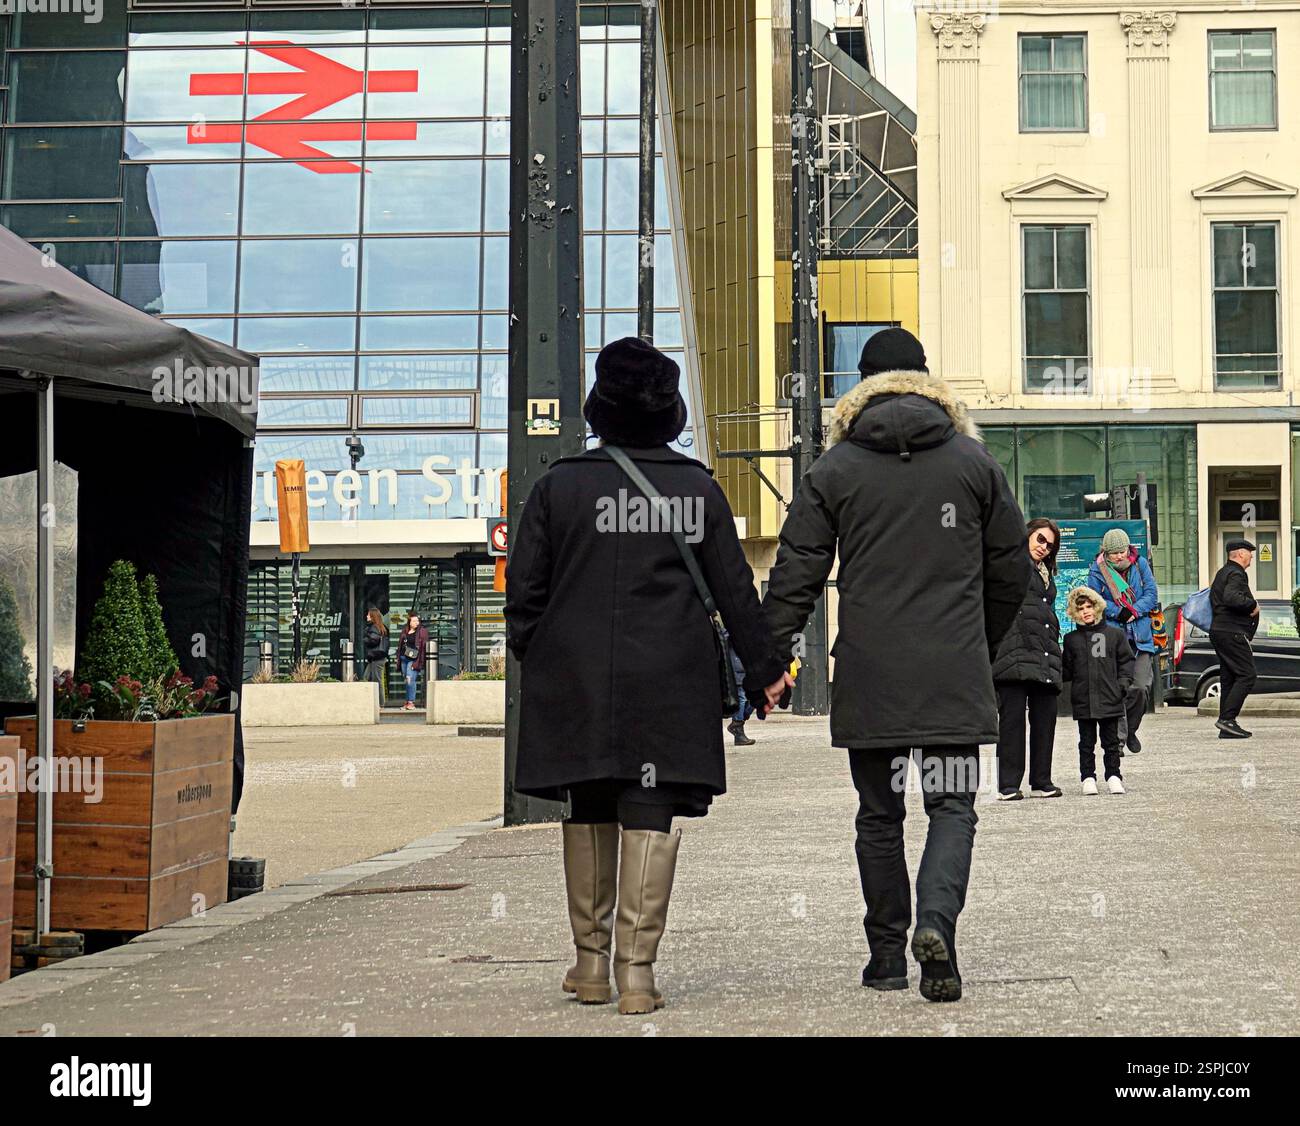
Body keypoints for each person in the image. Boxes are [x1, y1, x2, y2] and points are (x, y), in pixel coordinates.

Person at [504, 337, 791, 1015]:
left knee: (591, 802)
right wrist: (767, 672)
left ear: (599, 409)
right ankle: (638, 974)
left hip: (576, 677)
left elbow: (524, 594)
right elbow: (734, 592)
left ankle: (590, 965)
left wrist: (539, 654)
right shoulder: (696, 487)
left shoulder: (558, 486)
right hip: (668, 674)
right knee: (649, 809)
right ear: (670, 413)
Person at [761, 328, 1029, 1003]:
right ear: (928, 380)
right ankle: (936, 925)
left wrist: (767, 657)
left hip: (871, 672)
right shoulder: (974, 464)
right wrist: (982, 640)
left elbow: (797, 572)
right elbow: (1013, 571)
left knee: (879, 815)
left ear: (861, 386)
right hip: (952, 670)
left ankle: (886, 957)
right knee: (953, 805)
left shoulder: (834, 470)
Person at [992, 518, 1063, 800]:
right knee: (1012, 721)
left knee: (1045, 718)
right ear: (1028, 535)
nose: (1044, 547)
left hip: (1044, 653)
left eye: (1050, 544)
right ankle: (1008, 784)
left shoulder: (1046, 572)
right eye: (1040, 539)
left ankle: (1041, 781)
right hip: (1014, 651)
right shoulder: (1012, 565)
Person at [1087, 527, 1159, 754]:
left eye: (1123, 552)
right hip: (1114, 636)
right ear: (1105, 553)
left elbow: (1151, 594)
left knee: (1140, 688)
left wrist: (1133, 611)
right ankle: (1117, 741)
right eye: (1114, 553)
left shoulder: (1140, 565)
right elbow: (1093, 599)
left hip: (1141, 636)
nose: (1119, 556)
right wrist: (1118, 612)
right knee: (1118, 689)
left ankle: (1130, 731)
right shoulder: (1097, 571)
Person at [1061, 586, 1135, 796]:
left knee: (1111, 742)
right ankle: (1088, 777)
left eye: (1089, 607)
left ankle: (1113, 776)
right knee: (1086, 742)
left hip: (1110, 697)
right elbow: (1067, 669)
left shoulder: (1115, 635)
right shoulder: (1071, 640)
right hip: (1083, 698)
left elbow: (1126, 662)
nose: (1086, 611)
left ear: (1097, 607)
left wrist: (1122, 685)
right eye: (1081, 608)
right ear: (1075, 613)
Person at [1209, 538, 1259, 739]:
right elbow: (1231, 598)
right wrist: (1252, 605)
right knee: (1247, 675)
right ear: (1239, 554)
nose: (1252, 557)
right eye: (1249, 553)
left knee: (1229, 677)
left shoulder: (1222, 573)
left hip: (1220, 631)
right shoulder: (1236, 573)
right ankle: (1227, 719)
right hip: (1231, 632)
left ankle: (1226, 726)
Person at [723, 629, 756, 746]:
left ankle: (738, 722)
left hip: (746, 669)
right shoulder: (731, 630)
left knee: (751, 698)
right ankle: (738, 726)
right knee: (742, 697)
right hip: (737, 669)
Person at [396, 612, 428, 711]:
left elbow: (423, 649)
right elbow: (400, 645)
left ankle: (411, 703)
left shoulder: (422, 632)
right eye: (414, 621)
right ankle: (408, 701)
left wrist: (419, 662)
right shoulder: (405, 631)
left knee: (410, 680)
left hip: (414, 660)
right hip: (404, 659)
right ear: (409, 622)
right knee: (407, 680)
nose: (416, 622)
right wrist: (398, 658)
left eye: (417, 621)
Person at [362, 608, 388, 686]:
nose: (367, 616)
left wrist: (365, 639)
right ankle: (371, 697)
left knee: (377, 682)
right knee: (366, 678)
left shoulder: (374, 627)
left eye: (368, 615)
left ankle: (379, 698)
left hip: (376, 658)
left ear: (373, 616)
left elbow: (374, 640)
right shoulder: (379, 626)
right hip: (376, 658)